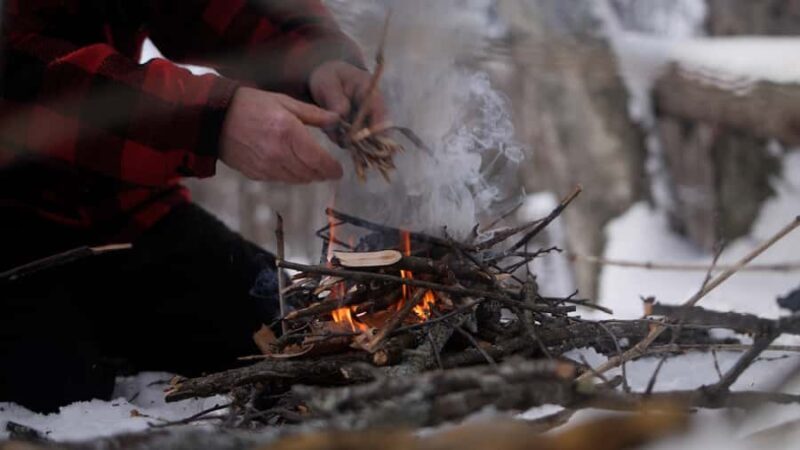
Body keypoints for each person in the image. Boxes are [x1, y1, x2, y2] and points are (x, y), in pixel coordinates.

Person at [0, 0, 385, 413]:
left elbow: (208, 8)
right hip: (12, 232)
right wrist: (208, 118)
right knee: (54, 393)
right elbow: (19, 76)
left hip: (120, 210)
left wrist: (316, 58)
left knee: (293, 330)